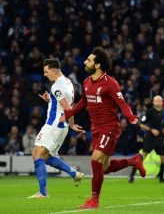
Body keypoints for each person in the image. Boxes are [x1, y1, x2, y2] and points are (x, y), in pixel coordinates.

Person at [61, 47, 146, 209]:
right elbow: (84, 102)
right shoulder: (86, 82)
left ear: (98, 65)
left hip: (110, 128)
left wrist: (131, 117)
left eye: (89, 60)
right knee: (104, 168)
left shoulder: (110, 83)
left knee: (95, 160)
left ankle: (94, 200)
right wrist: (69, 113)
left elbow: (122, 103)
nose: (85, 62)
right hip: (96, 129)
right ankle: (134, 160)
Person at [28, 59, 85, 199]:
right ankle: (74, 174)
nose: (45, 74)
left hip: (53, 125)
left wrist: (71, 123)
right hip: (61, 127)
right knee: (46, 156)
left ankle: (43, 193)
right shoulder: (67, 81)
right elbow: (66, 105)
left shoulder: (56, 86)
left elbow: (67, 108)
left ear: (54, 70)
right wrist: (51, 100)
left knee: (37, 154)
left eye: (46, 71)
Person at [128, 95, 164, 183]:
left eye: (160, 101)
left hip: (160, 138)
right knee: (143, 156)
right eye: (157, 101)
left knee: (163, 159)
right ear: (153, 102)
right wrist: (151, 130)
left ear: (162, 102)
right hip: (150, 138)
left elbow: (162, 127)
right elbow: (141, 124)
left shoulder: (163, 112)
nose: (159, 102)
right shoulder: (149, 112)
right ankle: (132, 175)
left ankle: (161, 177)